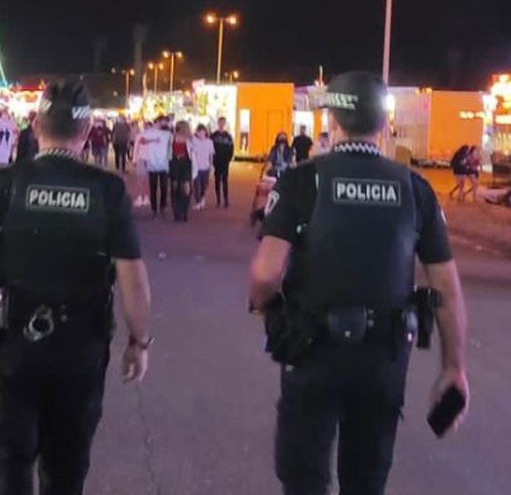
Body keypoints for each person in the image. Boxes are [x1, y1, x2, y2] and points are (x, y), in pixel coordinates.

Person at [248, 71, 469, 495]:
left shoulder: (302, 180)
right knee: (366, 480)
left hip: (311, 350)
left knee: (303, 477)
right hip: (383, 356)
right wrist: (453, 368)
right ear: (382, 124)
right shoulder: (415, 188)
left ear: (332, 118)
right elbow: (447, 288)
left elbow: (264, 272)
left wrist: (265, 308)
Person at [0, 79, 152, 495]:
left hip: (14, 341)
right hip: (80, 347)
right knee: (67, 467)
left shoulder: (6, 183)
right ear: (88, 129)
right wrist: (139, 341)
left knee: (10, 463)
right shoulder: (107, 190)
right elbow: (133, 276)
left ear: (36, 125)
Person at [140, 116, 172, 218]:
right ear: (158, 122)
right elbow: (142, 141)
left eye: (166, 122)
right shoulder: (149, 132)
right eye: (163, 122)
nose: (165, 124)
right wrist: (153, 141)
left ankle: (163, 206)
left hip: (164, 163)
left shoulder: (168, 133)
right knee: (153, 187)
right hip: (153, 163)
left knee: (164, 187)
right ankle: (154, 208)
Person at [169, 120, 194, 222]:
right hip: (174, 163)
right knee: (175, 188)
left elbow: (194, 151)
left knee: (186, 189)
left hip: (186, 163)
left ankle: (184, 212)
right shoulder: (172, 137)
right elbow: (167, 151)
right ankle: (176, 212)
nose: (179, 129)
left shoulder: (190, 139)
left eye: (180, 127)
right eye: (178, 127)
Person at [210, 118, 235, 208]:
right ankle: (218, 200)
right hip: (216, 161)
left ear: (225, 123)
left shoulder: (228, 136)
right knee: (217, 180)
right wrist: (212, 159)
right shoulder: (213, 135)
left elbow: (231, 148)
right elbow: (210, 148)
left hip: (225, 161)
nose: (221, 124)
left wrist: (229, 158)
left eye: (223, 123)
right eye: (220, 122)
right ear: (218, 123)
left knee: (224, 180)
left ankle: (226, 199)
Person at [190, 124, 215, 210]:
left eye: (202, 131)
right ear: (196, 132)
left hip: (206, 167)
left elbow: (211, 154)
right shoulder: (194, 141)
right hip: (196, 167)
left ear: (205, 132)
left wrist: (211, 165)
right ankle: (198, 202)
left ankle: (202, 198)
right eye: (199, 132)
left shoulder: (209, 142)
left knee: (205, 185)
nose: (201, 133)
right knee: (197, 185)